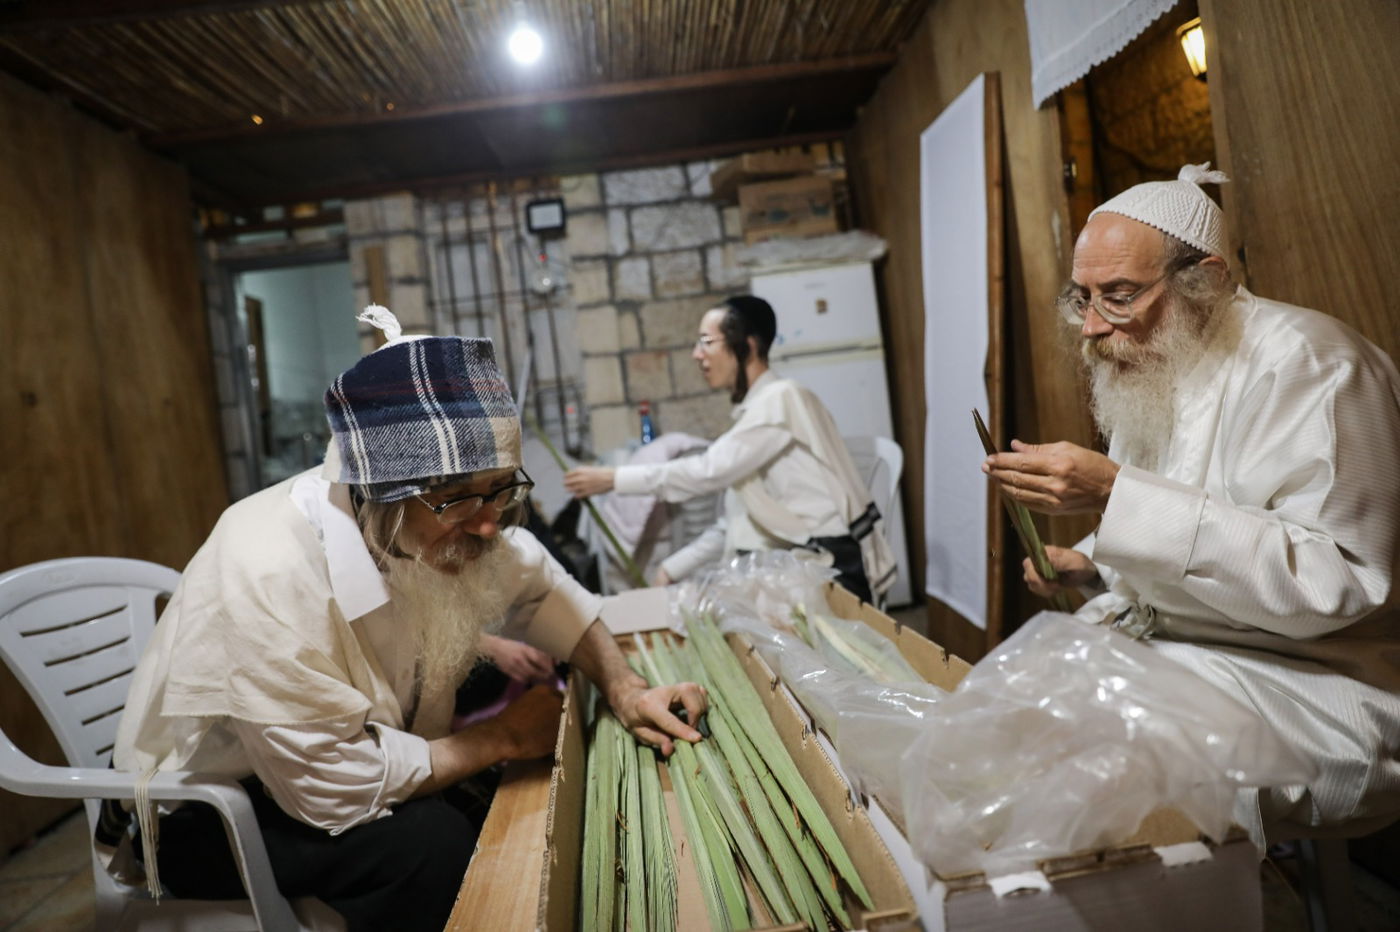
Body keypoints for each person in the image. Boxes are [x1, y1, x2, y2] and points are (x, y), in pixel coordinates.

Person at [112, 307, 706, 932]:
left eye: (503, 489)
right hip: (216, 807)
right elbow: (328, 788)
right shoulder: (267, 567)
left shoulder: (452, 522)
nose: (487, 522)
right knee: (431, 847)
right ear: (379, 494)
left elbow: (541, 587)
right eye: (456, 499)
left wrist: (626, 688)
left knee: (498, 812)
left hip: (336, 757)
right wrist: (500, 737)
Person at [983, 163, 1400, 845]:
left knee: (1104, 772)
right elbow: (1184, 513)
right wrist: (1091, 566)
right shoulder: (1156, 356)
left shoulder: (1311, 364)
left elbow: (1339, 585)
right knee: (1011, 705)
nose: (1091, 328)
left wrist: (1116, 493)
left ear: (1203, 278)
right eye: (1081, 297)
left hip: (1319, 676)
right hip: (1190, 645)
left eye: (1118, 295)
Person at [563, 295, 895, 603]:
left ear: (747, 347)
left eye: (707, 342)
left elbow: (707, 472)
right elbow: (734, 522)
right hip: (798, 562)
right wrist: (669, 570)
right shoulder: (757, 414)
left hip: (832, 570)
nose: (697, 354)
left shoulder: (782, 400)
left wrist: (614, 479)